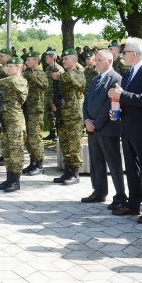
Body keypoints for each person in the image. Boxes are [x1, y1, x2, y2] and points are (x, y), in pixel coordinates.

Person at [108, 37, 142, 224]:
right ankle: (133, 203)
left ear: (134, 54)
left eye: (125, 53)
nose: (123, 56)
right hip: (128, 125)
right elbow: (128, 98)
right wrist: (118, 102)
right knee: (132, 168)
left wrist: (122, 95)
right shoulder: (130, 72)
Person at [82, 49, 125, 207]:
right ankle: (99, 192)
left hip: (107, 128)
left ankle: (120, 195)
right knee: (96, 162)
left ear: (109, 61)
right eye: (96, 60)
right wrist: (87, 120)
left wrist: (96, 123)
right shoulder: (95, 80)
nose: (96, 63)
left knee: (113, 163)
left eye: (100, 60)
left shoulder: (117, 79)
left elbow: (110, 105)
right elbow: (86, 102)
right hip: (92, 127)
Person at [52, 48, 87, 185]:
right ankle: (67, 171)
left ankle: (75, 173)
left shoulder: (78, 73)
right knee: (65, 144)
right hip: (62, 113)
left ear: (75, 60)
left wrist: (58, 76)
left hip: (74, 115)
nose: (63, 61)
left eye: (67, 59)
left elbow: (74, 80)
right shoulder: (65, 74)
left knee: (74, 144)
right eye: (63, 58)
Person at [0, 57, 28, 192]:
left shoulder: (20, 81)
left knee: (16, 151)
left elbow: (14, 81)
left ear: (18, 67)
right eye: (7, 66)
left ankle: (15, 180)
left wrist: (0, 81)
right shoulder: (6, 82)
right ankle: (9, 178)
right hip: (4, 120)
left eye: (11, 66)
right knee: (6, 151)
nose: (8, 68)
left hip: (15, 121)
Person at [22, 51, 48, 176]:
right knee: (28, 137)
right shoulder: (26, 73)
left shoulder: (40, 73)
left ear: (36, 61)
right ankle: (32, 161)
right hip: (26, 108)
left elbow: (44, 84)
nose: (26, 62)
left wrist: (30, 75)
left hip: (36, 110)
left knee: (35, 137)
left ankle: (39, 163)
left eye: (29, 60)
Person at [43, 50, 61, 141]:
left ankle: (58, 133)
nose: (46, 58)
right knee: (49, 115)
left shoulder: (58, 68)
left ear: (53, 58)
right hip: (48, 95)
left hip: (55, 95)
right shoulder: (47, 68)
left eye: (48, 57)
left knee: (56, 114)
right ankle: (52, 132)